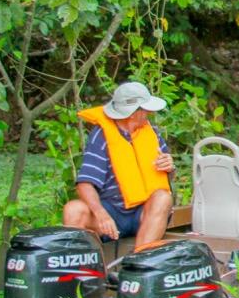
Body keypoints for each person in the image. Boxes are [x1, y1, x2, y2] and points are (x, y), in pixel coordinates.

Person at [63, 82, 174, 248]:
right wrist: (101, 214)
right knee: (73, 209)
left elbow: (169, 177)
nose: (149, 113)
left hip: (143, 212)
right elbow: (85, 184)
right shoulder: (101, 136)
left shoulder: (152, 133)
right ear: (133, 113)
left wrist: (170, 167)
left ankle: (140, 263)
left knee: (163, 197)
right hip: (111, 211)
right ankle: (83, 269)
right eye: (145, 109)